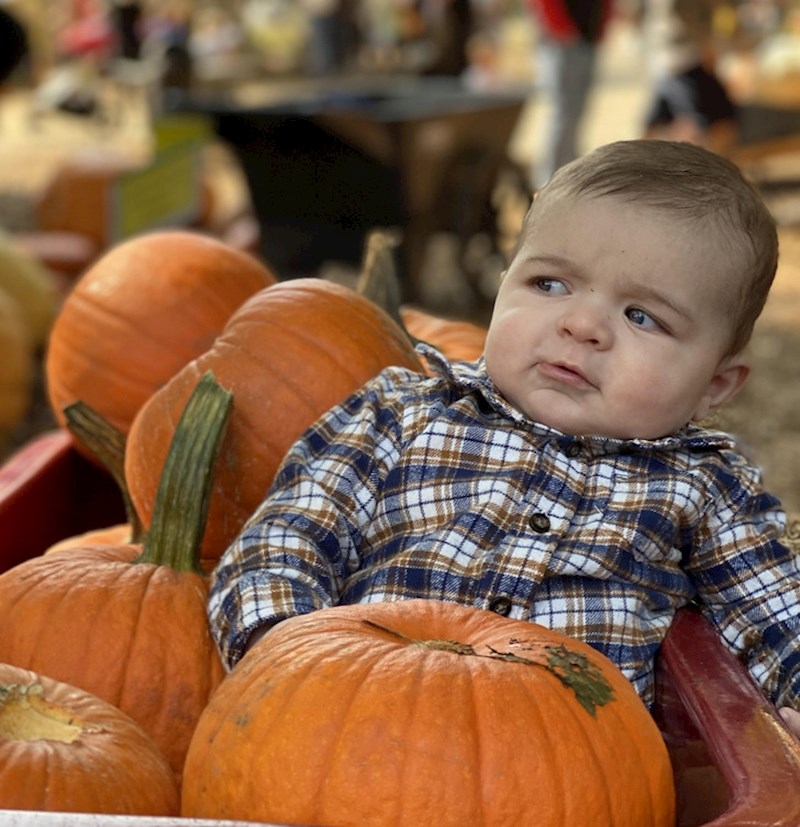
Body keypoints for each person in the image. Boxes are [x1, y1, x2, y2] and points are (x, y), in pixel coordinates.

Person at [207, 139, 800, 735]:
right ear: (502, 283)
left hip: (564, 768)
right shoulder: (401, 416)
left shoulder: (706, 487)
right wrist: (284, 649)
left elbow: (780, 615)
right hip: (356, 727)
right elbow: (287, 537)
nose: (582, 324)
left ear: (715, 385)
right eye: (549, 284)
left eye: (641, 316)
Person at [526, 0, 614, 189]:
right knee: (564, 113)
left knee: (576, 113)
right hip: (562, 43)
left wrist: (601, 29)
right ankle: (550, 180)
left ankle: (569, 175)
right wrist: (562, 29)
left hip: (587, 39)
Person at [639, 0, 738, 156]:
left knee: (656, 125)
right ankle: (711, 172)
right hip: (686, 57)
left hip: (667, 59)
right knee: (715, 122)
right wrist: (705, 43)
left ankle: (637, 169)